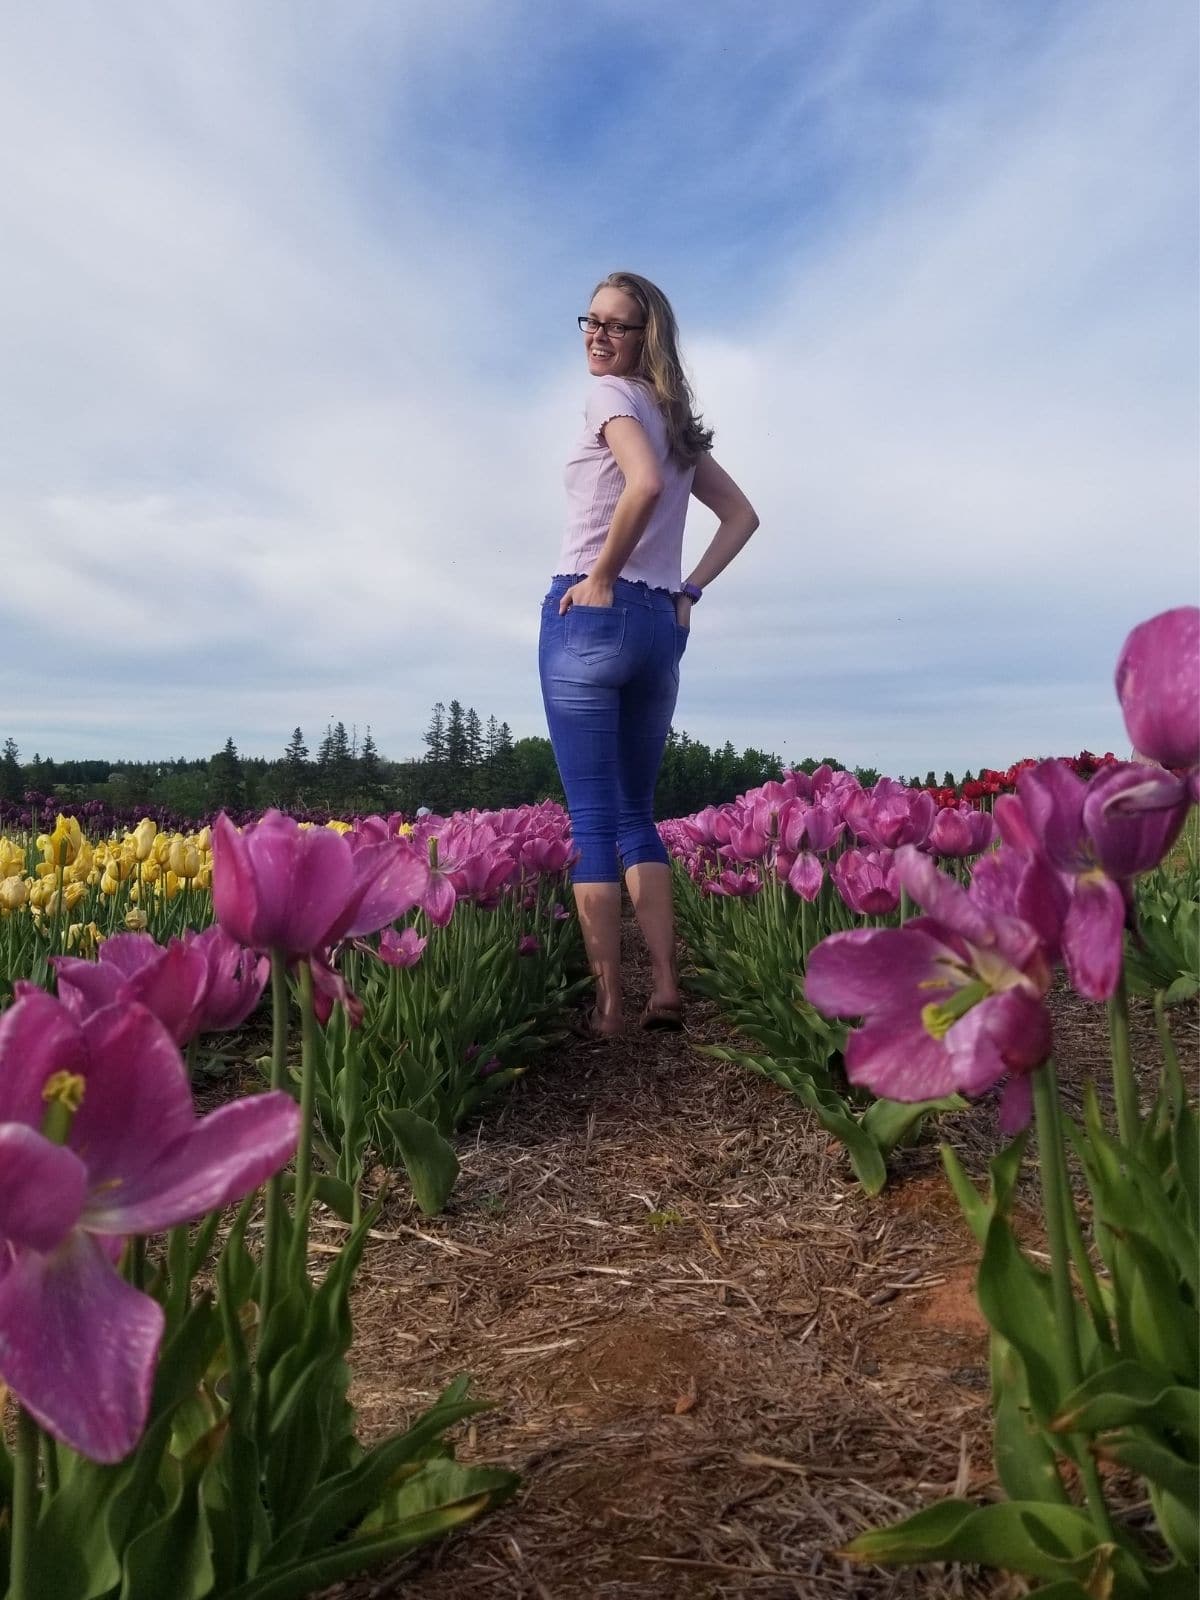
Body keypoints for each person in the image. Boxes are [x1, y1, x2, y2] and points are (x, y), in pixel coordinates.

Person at [538, 271, 758, 1036]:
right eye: (589, 320)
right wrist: (688, 591)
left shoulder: (611, 399)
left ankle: (610, 1006)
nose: (598, 336)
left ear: (646, 338)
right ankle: (666, 985)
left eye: (617, 326)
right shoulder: (675, 420)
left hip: (590, 614)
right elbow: (742, 516)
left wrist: (599, 576)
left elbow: (643, 483)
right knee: (637, 813)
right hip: (660, 626)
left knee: (593, 818)